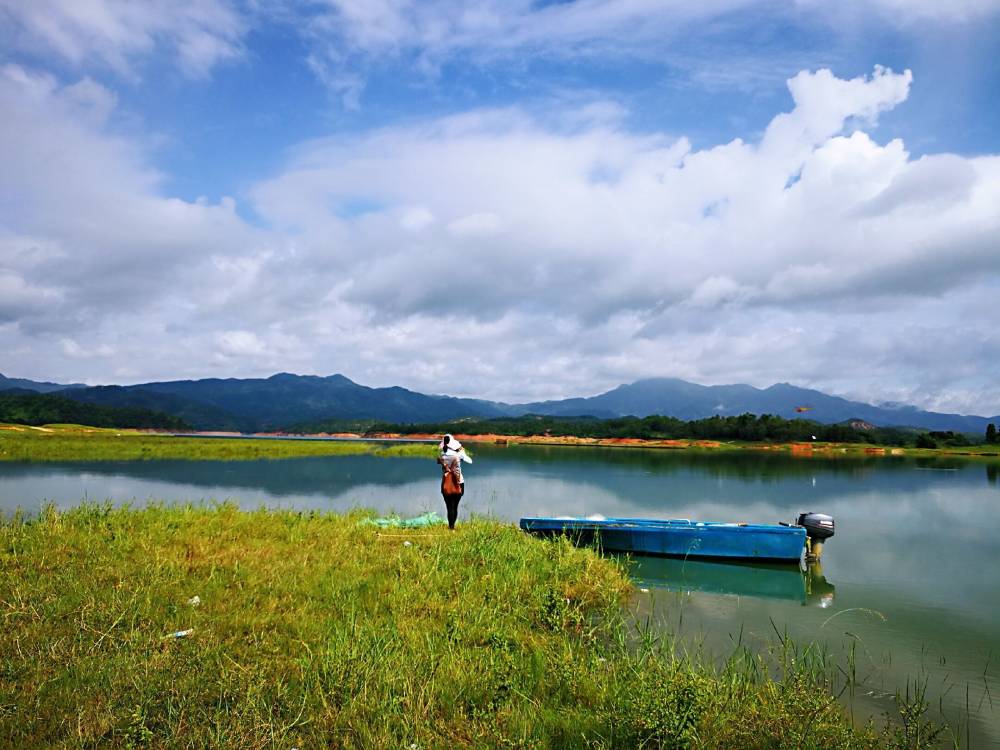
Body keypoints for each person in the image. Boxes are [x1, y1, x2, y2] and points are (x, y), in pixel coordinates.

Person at [437, 433, 471, 529]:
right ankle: (452, 527)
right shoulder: (458, 455)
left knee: (449, 507)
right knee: (455, 506)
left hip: (446, 483)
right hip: (459, 482)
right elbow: (470, 461)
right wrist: (462, 451)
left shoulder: (442, 456)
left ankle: (450, 526)